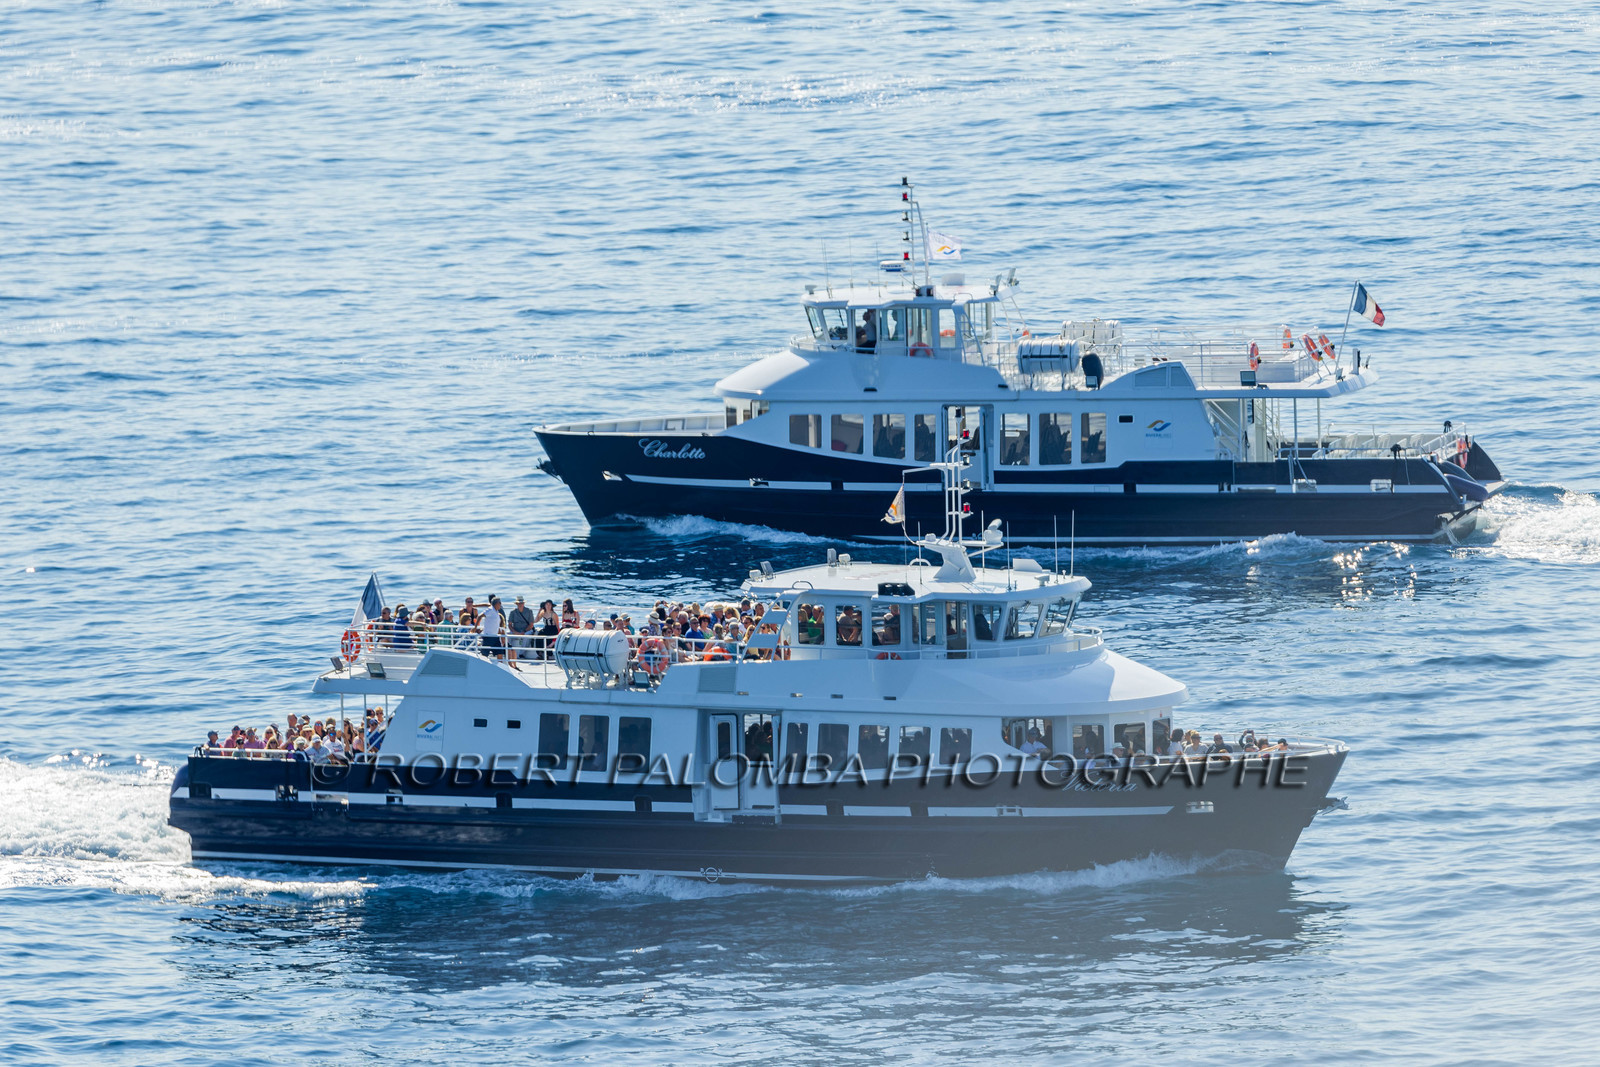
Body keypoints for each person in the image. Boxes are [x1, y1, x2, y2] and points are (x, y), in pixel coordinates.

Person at [509, 595, 534, 663]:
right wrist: (515, 632)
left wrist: (524, 631)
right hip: (516, 630)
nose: (520, 604)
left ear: (524, 603)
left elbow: (531, 624)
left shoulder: (529, 611)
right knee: (507, 636)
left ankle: (521, 653)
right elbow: (510, 625)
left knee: (526, 636)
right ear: (516, 604)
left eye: (521, 603)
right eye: (519, 603)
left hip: (526, 630)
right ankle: (508, 653)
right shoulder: (512, 612)